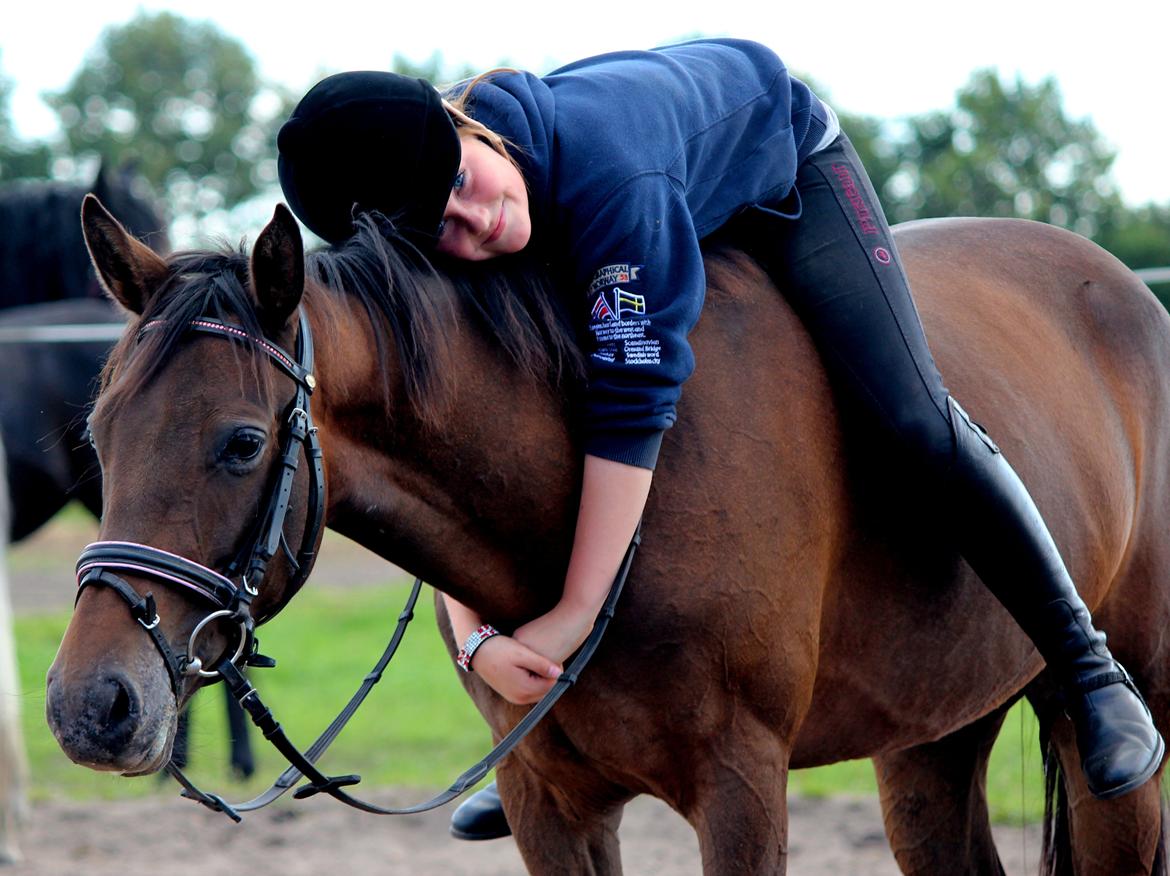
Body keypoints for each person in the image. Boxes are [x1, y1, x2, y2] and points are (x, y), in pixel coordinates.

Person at [276, 39, 1164, 841]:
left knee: (909, 418)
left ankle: (1088, 672)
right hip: (665, 186)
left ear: (466, 128)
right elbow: (459, 461)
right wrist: (475, 642)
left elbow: (632, 405)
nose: (483, 228)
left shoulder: (613, 184)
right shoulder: (457, 204)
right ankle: (556, 745)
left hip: (785, 172)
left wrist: (568, 625)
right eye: (445, 232)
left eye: (467, 190)